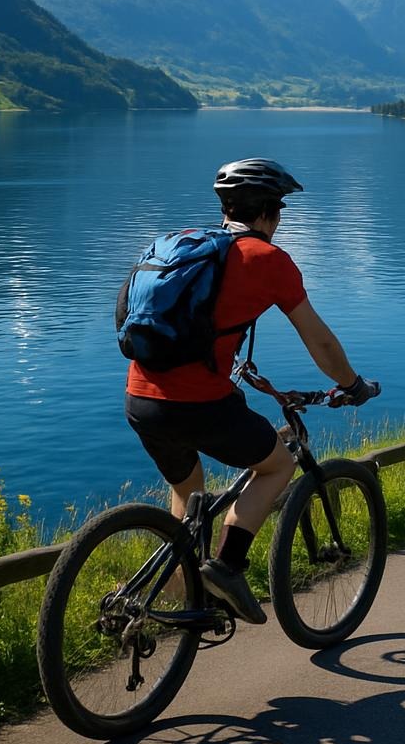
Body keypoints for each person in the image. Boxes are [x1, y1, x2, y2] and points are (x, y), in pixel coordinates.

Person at [125, 157, 380, 625]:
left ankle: (182, 599)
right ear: (271, 212)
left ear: (227, 206)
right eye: (279, 211)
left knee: (190, 489)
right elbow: (320, 341)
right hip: (198, 403)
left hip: (142, 398)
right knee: (277, 464)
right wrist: (352, 385)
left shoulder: (179, 246)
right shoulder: (267, 260)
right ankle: (225, 567)